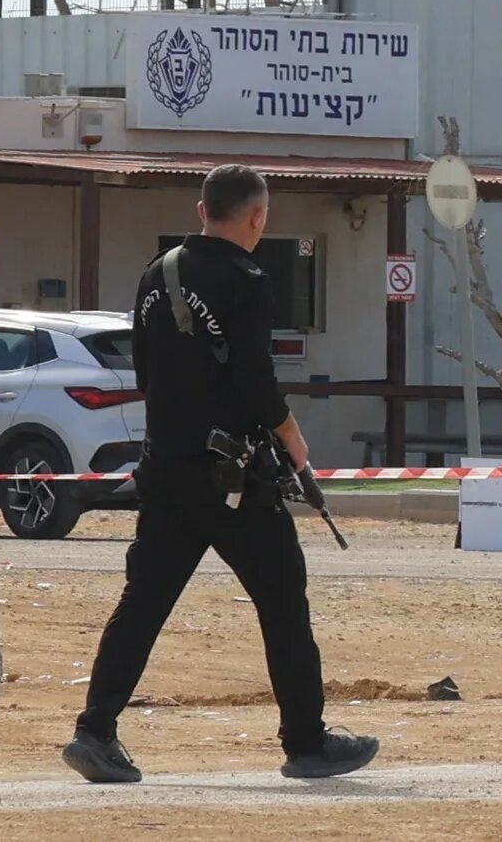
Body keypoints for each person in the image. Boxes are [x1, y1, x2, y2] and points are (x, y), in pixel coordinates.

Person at [60, 164, 379, 784]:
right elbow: (255, 380)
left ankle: (94, 732)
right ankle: (306, 741)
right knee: (283, 600)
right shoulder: (247, 278)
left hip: (166, 468)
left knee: (145, 602)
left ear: (201, 208)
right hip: (232, 478)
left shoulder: (160, 273)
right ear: (257, 217)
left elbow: (147, 375)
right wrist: (294, 443)